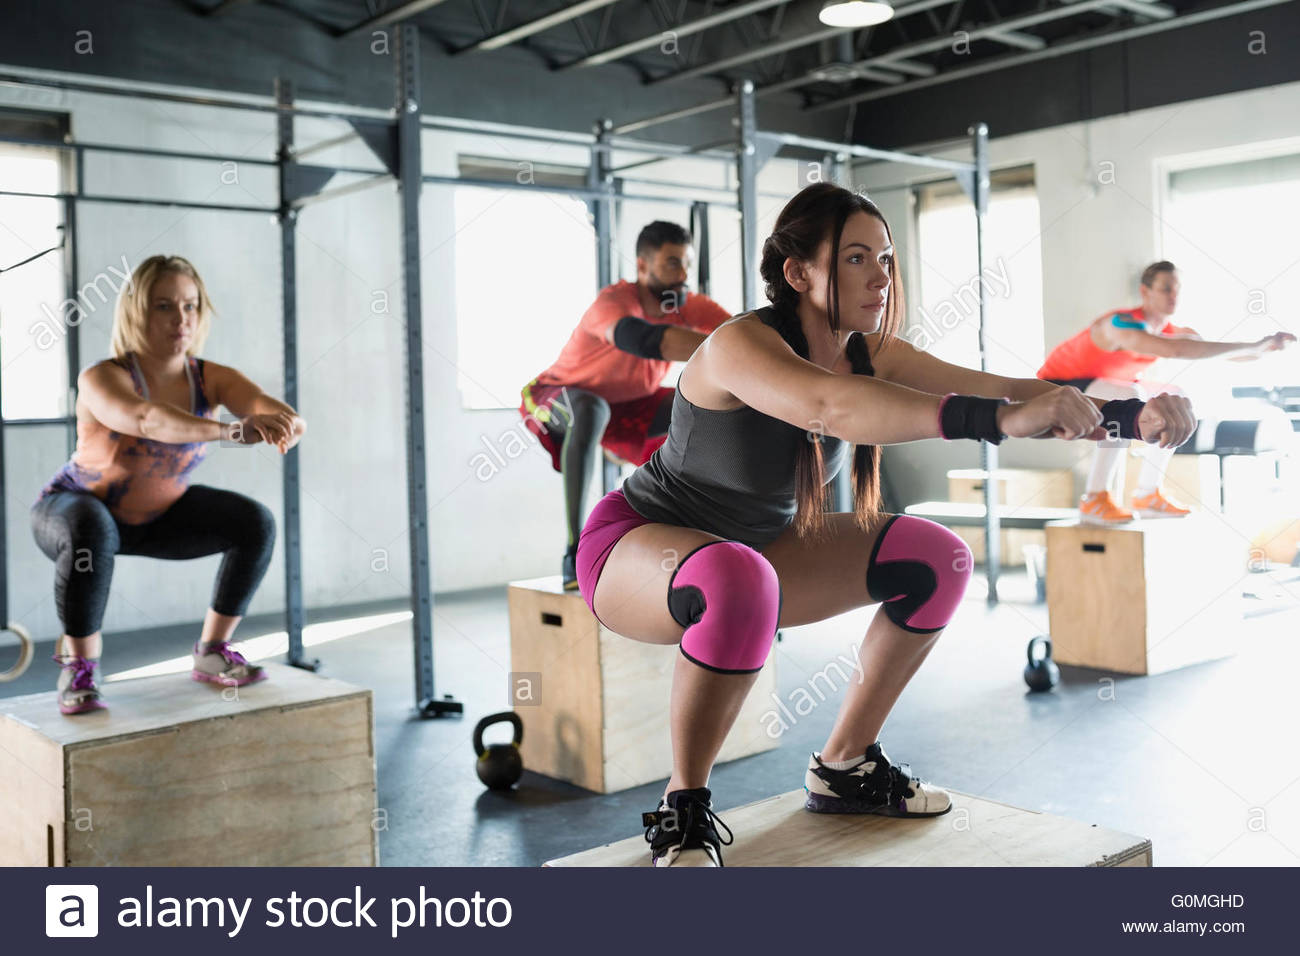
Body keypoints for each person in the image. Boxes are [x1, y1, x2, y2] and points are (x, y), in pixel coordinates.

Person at [574, 183, 1196, 867]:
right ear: (798, 272)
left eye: (888, 258)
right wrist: (991, 424)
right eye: (856, 258)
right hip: (635, 547)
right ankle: (682, 808)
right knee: (736, 571)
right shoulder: (737, 345)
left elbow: (1009, 393)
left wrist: (1133, 416)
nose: (880, 275)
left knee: (937, 559)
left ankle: (844, 766)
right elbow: (828, 408)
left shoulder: (871, 350)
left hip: (754, 549)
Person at [30, 255, 306, 715]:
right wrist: (231, 431)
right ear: (137, 311)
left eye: (190, 306)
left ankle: (212, 651)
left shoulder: (210, 377)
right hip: (72, 510)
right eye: (164, 306)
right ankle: (79, 670)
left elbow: (268, 406)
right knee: (90, 531)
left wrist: (286, 424)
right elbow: (147, 420)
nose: (181, 319)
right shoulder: (103, 377)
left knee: (254, 522)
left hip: (158, 518)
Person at [519, 221, 732, 589]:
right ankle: (574, 550)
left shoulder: (690, 305)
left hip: (630, 409)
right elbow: (643, 339)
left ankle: (713, 533)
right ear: (642, 267)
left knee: (701, 399)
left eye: (687, 264)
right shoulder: (615, 302)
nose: (683, 275)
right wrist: (728, 350)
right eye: (672, 264)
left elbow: (744, 333)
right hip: (561, 396)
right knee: (591, 409)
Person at [1038, 260, 1295, 523]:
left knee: (1175, 397)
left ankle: (1147, 494)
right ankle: (1094, 498)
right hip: (1057, 387)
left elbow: (1216, 353)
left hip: (1100, 386)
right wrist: (1253, 346)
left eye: (1177, 290)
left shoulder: (1174, 331)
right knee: (1130, 396)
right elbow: (1175, 350)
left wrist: (1265, 348)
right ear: (1146, 292)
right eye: (1166, 289)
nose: (1174, 296)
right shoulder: (1120, 322)